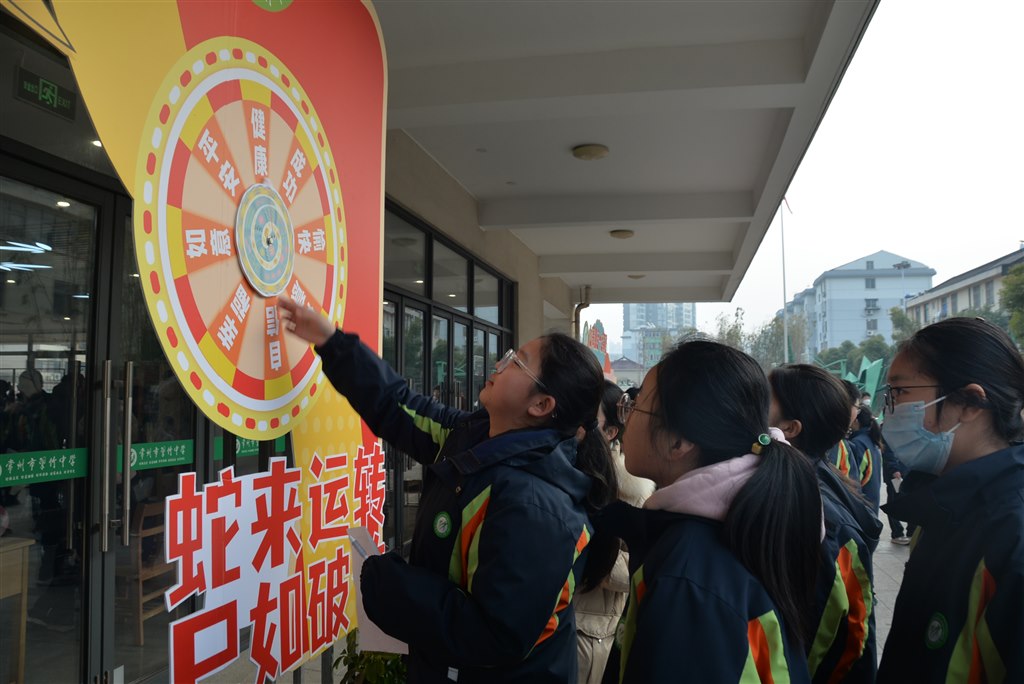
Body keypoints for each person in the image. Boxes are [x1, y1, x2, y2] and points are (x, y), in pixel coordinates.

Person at [278, 295, 619, 683]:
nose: (499, 364)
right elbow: (398, 405)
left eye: (517, 361)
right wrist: (331, 342)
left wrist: (392, 587)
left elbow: (494, 636)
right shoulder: (472, 436)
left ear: (541, 405)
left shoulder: (536, 506)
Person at [598, 340, 822, 683]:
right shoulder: (742, 520)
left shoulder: (689, 582)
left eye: (637, 404)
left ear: (678, 443)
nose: (625, 415)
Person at [877, 318, 1024, 682]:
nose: (888, 410)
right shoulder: (943, 506)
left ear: (969, 402)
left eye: (899, 391)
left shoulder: (1012, 532)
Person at [768, 364, 882, 683]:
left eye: (762, 398)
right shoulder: (808, 482)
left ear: (790, 428)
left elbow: (845, 640)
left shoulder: (816, 517)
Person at [574, 381, 653, 684]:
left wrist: (589, 554)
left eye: (589, 414)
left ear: (610, 432)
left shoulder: (633, 487)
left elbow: (635, 571)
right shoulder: (570, 467)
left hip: (589, 629)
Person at [848, 405, 883, 511]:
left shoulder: (857, 443)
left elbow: (854, 478)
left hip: (862, 503)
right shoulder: (870, 440)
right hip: (871, 501)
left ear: (856, 421)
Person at [879, 439, 913, 544]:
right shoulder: (891, 434)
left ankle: (911, 532)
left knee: (910, 501)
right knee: (895, 501)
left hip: (906, 472)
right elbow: (888, 453)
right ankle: (897, 533)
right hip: (896, 475)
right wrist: (894, 469)